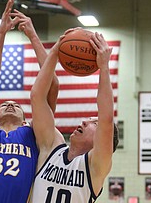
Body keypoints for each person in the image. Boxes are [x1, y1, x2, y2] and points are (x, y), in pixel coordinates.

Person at [0, 0, 59, 203]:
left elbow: (52, 86)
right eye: (4, 105)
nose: (10, 104)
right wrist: (0, 33)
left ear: (26, 122)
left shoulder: (33, 135)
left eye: (17, 106)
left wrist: (33, 36)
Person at [30, 28, 119, 202]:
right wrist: (55, 51)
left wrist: (104, 68)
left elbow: (107, 119)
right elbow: (37, 96)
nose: (85, 121)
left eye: (94, 123)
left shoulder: (96, 167)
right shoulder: (51, 148)